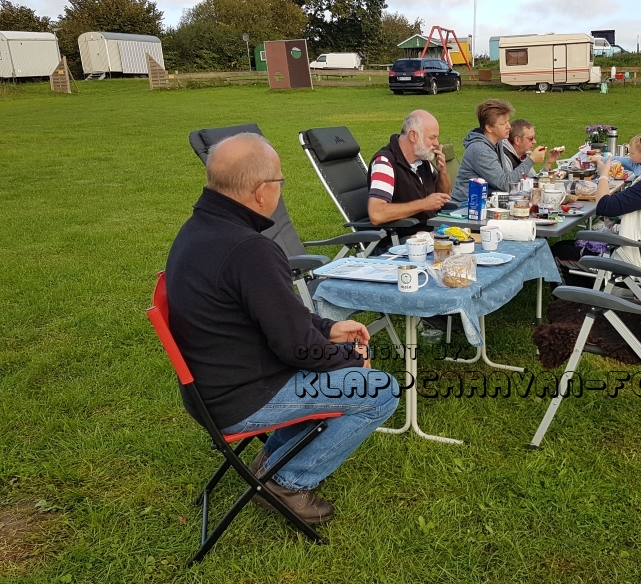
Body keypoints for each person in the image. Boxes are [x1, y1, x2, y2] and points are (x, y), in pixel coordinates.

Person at [165, 132, 400, 524]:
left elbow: (277, 315)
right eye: (280, 182)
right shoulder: (250, 249)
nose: (280, 188)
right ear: (261, 192)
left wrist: (328, 328)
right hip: (242, 398)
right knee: (380, 391)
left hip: (214, 388)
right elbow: (296, 348)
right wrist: (350, 360)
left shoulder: (198, 230)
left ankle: (271, 462)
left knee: (346, 368)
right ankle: (287, 481)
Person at [553, 114, 641, 271]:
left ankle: (575, 288)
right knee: (567, 245)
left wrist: (603, 175)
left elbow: (604, 206)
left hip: (634, 262)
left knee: (557, 251)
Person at [367, 110, 451, 236]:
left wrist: (442, 172)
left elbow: (443, 196)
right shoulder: (385, 163)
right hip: (404, 240)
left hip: (432, 231)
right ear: (413, 135)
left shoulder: (422, 159)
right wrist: (424, 204)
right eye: (432, 138)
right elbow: (376, 214)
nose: (436, 143)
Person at [451, 100, 554, 202]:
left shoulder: (497, 143)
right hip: (465, 206)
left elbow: (506, 178)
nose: (509, 126)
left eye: (508, 121)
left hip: (486, 202)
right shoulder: (480, 150)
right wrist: (530, 161)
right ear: (489, 128)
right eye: (503, 123)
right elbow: (505, 184)